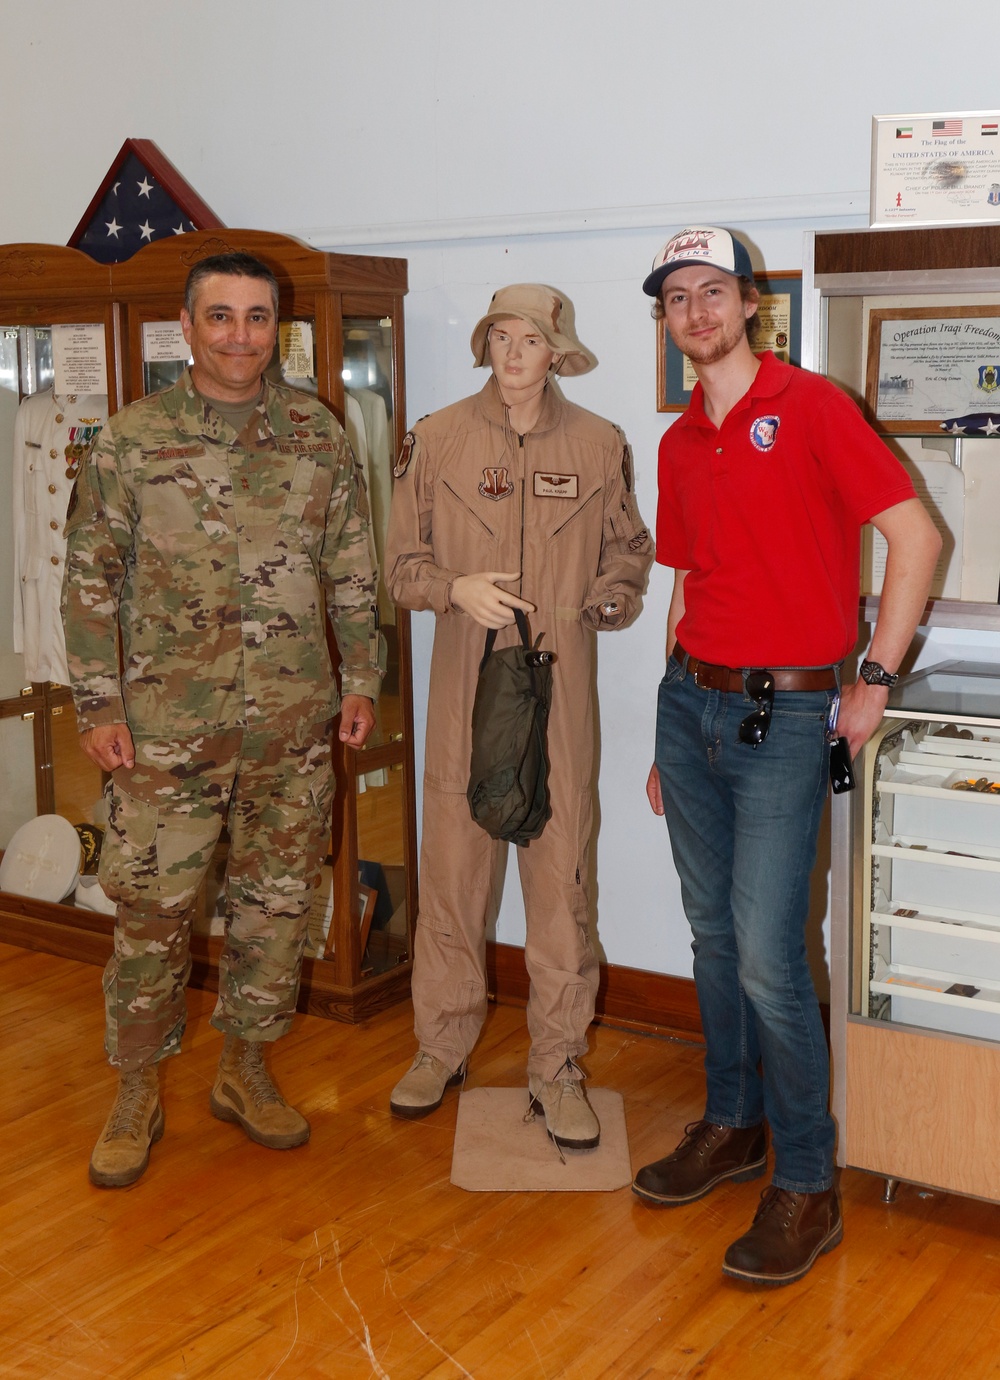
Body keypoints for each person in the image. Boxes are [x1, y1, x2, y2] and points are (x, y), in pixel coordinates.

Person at [632, 227, 941, 1284]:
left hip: (788, 718)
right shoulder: (678, 441)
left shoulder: (810, 408)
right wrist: (668, 725)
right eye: (677, 298)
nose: (696, 312)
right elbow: (688, 584)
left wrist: (875, 677)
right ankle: (733, 1123)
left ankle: (805, 1182)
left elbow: (917, 537)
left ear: (750, 304)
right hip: (694, 705)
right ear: (666, 320)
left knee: (768, 952)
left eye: (712, 291)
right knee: (712, 938)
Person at [62, 251, 384, 1188]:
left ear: (274, 326)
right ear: (187, 324)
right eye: (221, 316)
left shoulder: (316, 435)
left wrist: (361, 677)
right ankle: (137, 1085)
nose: (240, 335)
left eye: (256, 318)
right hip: (166, 728)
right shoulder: (131, 439)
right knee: (152, 913)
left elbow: (352, 566)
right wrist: (98, 700)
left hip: (290, 722)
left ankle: (244, 1067)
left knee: (276, 905)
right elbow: (90, 585)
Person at [384, 284, 652, 1148]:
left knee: (561, 879)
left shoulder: (601, 443)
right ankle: (440, 1045)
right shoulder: (436, 439)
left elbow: (629, 550)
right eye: (499, 336)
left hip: (559, 689)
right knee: (454, 874)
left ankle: (558, 1065)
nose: (511, 351)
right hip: (467, 681)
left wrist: (609, 599)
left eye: (528, 338)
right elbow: (398, 565)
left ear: (556, 351)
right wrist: (451, 588)